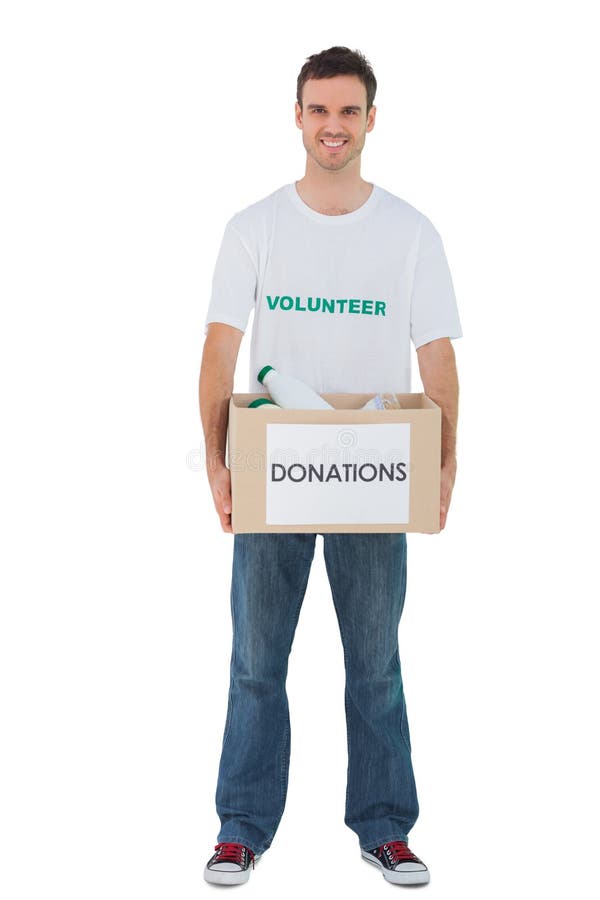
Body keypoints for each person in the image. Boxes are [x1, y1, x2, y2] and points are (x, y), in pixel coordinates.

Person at [199, 46, 462, 887]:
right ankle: (241, 827)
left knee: (376, 666)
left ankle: (386, 826)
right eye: (319, 110)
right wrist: (215, 464)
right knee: (255, 663)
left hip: (376, 473)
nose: (333, 126)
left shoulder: (411, 232)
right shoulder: (256, 227)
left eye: (349, 111)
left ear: (372, 119)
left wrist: (445, 464)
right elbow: (218, 355)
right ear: (298, 117)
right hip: (276, 475)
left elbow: (438, 360)